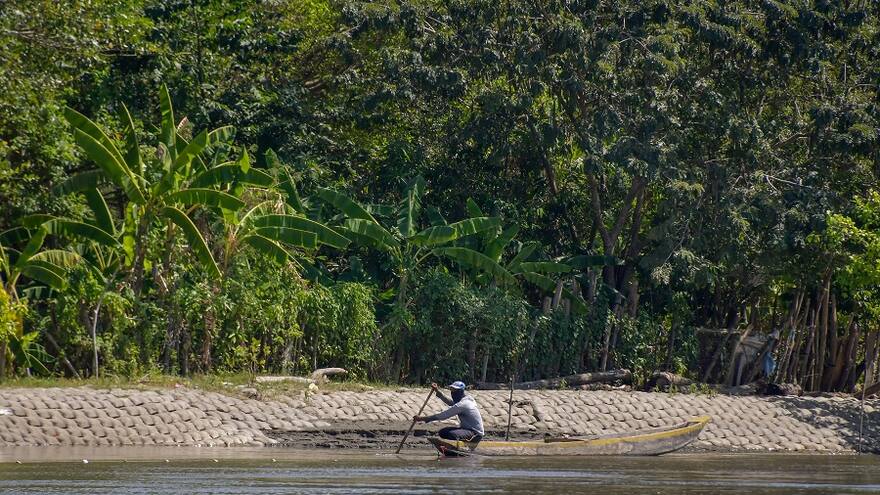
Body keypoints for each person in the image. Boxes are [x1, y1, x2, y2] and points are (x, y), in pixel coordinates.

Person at [413, 381, 484, 441]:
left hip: (475, 433)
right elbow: (450, 402)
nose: (452, 393)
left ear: (460, 392)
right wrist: (437, 391)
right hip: (466, 429)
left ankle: (462, 447)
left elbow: (444, 415)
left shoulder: (464, 404)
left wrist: (422, 418)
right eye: (451, 391)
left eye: (454, 391)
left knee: (452, 434)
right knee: (443, 432)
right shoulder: (464, 400)